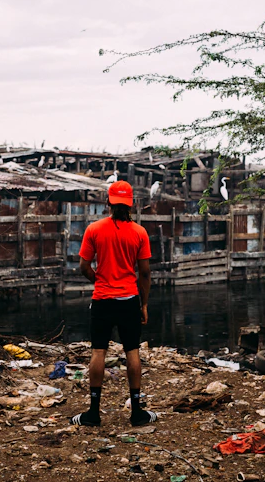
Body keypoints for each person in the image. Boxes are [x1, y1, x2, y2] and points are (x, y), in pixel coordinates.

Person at [70, 180, 156, 427]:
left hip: (102, 300)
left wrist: (99, 280)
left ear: (107, 203)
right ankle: (137, 413)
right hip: (129, 299)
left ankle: (93, 413)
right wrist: (144, 304)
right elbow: (145, 273)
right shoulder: (139, 233)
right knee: (132, 351)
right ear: (131, 205)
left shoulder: (94, 229)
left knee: (98, 351)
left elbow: (84, 266)